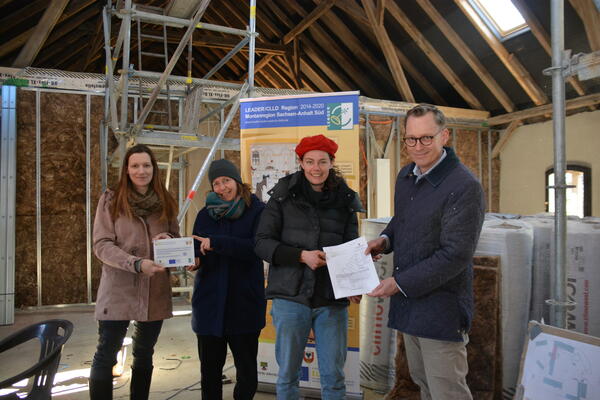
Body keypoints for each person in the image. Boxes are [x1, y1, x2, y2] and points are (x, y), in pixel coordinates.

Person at [365, 104, 485, 400]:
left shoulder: (463, 186)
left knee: (447, 391)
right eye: (411, 139)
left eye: (426, 138)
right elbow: (402, 220)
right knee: (423, 383)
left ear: (444, 136)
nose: (418, 147)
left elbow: (455, 254)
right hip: (410, 306)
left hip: (441, 311)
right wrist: (384, 241)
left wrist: (398, 283)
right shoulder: (406, 176)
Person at [254, 134, 363, 400]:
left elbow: (351, 246)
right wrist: (302, 256)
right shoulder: (282, 196)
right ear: (301, 162)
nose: (316, 168)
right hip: (290, 296)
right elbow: (261, 243)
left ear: (331, 162)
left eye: (322, 162)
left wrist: (354, 283)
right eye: (310, 161)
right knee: (288, 377)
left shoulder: (345, 200)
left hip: (330, 298)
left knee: (334, 378)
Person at [89, 144, 180, 400]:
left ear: (154, 169)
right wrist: (137, 263)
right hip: (119, 288)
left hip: (154, 289)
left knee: (144, 352)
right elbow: (102, 245)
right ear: (126, 170)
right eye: (135, 166)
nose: (142, 171)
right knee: (107, 352)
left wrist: (167, 239)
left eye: (147, 165)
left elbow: (176, 238)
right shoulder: (111, 199)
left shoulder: (165, 201)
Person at [187, 159, 266, 400]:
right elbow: (195, 246)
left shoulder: (258, 211)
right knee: (210, 372)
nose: (222, 187)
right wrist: (194, 259)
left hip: (244, 304)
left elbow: (258, 247)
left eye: (226, 181)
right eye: (216, 184)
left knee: (246, 372)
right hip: (209, 305)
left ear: (237, 181)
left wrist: (218, 243)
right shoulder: (204, 214)